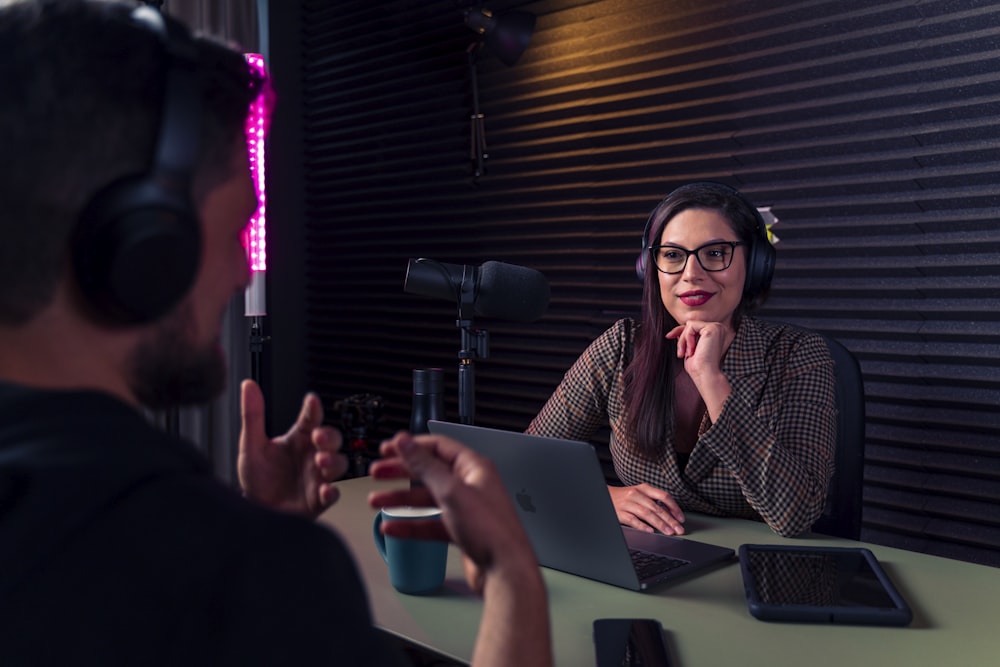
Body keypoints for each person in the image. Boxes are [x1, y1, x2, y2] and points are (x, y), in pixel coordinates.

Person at [0, 2, 551, 666]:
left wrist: (262, 530)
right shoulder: (249, 579)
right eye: (237, 226)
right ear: (143, 243)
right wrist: (515, 574)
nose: (241, 270)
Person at [527, 182, 836, 537]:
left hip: (757, 568)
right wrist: (599, 497)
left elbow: (795, 515)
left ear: (754, 264)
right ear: (651, 268)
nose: (691, 273)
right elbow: (527, 463)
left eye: (716, 253)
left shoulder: (798, 355)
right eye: (673, 255)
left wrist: (712, 380)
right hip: (647, 562)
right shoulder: (620, 346)